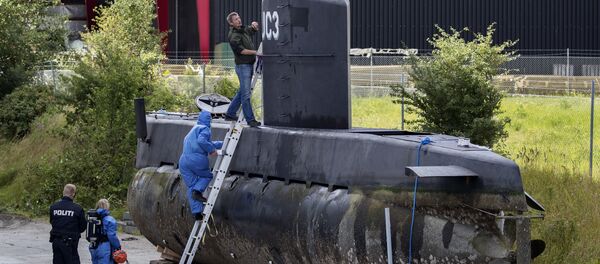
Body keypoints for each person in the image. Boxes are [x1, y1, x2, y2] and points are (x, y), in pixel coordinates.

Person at [179, 111, 223, 220]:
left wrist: (221, 143)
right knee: (207, 176)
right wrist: (212, 150)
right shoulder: (205, 129)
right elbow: (202, 141)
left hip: (184, 160)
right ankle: (198, 191)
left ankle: (197, 213)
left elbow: (203, 142)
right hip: (196, 159)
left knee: (192, 186)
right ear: (208, 120)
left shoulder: (194, 129)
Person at [224, 11, 261, 127]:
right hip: (243, 67)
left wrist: (255, 25)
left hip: (249, 64)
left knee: (242, 92)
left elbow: (252, 30)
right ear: (231, 23)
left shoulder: (242, 29)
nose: (239, 20)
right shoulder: (233, 36)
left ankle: (230, 113)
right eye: (235, 19)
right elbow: (241, 51)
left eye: (239, 18)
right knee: (246, 94)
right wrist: (257, 52)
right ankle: (250, 120)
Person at [49, 184, 87, 264]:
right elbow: (83, 227)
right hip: (70, 243)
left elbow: (52, 221)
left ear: (63, 192)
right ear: (73, 194)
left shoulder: (53, 207)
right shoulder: (77, 209)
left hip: (56, 242)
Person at [89, 199, 121, 264]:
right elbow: (111, 236)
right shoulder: (110, 220)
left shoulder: (92, 218)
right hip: (104, 247)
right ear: (107, 206)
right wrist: (118, 246)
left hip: (93, 246)